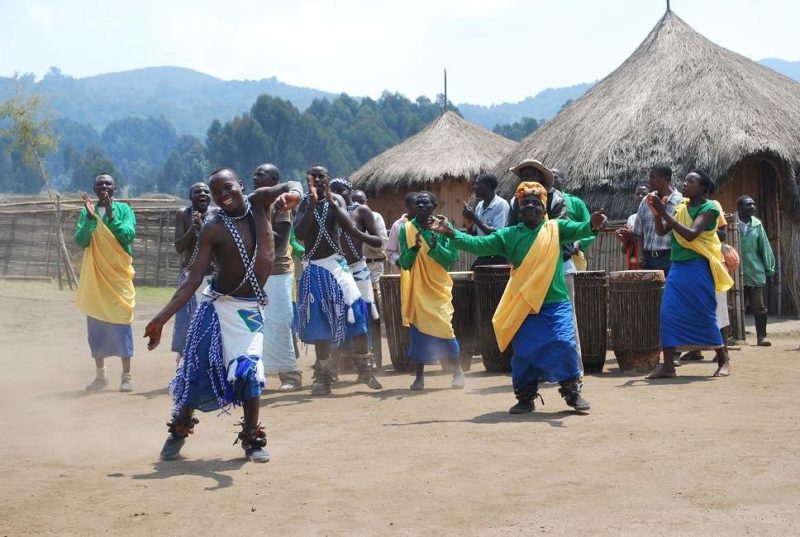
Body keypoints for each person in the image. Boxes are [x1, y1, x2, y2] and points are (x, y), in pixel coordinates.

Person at [143, 168, 302, 463]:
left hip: (249, 310)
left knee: (250, 370)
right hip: (216, 308)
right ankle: (179, 428)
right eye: (217, 192)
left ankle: (252, 439)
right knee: (196, 370)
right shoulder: (213, 227)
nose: (222, 195)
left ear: (240, 185)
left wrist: (295, 194)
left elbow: (291, 183)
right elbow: (192, 280)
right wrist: (160, 319)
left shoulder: (261, 204)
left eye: (227, 187)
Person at [432, 181, 607, 413]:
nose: (531, 207)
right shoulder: (509, 235)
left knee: (564, 343)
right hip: (524, 304)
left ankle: (572, 392)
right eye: (526, 204)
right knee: (524, 353)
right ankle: (525, 397)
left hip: (555, 302)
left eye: (536, 203)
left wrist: (592, 224)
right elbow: (479, 244)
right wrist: (451, 232)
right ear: (519, 210)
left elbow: (582, 229)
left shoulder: (556, 228)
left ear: (544, 209)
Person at [294, 166, 382, 395]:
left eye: (322, 176)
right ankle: (324, 377)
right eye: (313, 177)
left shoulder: (338, 201)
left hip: (338, 266)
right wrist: (313, 204)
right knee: (319, 323)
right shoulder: (304, 203)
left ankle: (364, 369)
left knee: (358, 314)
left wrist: (332, 204)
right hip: (314, 268)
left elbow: (348, 227)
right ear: (307, 180)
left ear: (327, 179)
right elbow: (301, 234)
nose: (318, 180)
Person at [644, 170, 733, 380]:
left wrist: (664, 212)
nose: (685, 184)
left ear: (702, 188)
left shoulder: (710, 208)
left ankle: (724, 359)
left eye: (691, 181)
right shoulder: (681, 207)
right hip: (678, 267)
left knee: (704, 312)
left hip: (699, 266)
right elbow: (661, 232)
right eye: (684, 181)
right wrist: (658, 213)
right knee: (668, 313)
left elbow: (691, 234)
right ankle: (668, 366)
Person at [75, 173, 137, 392]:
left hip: (118, 277)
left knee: (122, 323)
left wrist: (111, 215)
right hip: (96, 278)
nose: (104, 187)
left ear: (114, 188)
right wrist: (92, 219)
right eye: (100, 184)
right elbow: (81, 240)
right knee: (96, 326)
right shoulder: (86, 212)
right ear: (94, 188)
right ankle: (100, 376)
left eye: (108, 184)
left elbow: (128, 236)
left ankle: (126, 376)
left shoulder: (125, 210)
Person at [399, 191, 465, 390]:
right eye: (418, 203)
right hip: (419, 288)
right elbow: (404, 263)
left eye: (426, 203)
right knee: (419, 332)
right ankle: (419, 377)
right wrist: (414, 249)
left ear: (434, 206)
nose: (421, 206)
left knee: (445, 328)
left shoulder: (444, 227)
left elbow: (450, 259)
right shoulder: (407, 229)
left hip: (438, 288)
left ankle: (457, 371)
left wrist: (435, 248)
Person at [253, 163, 303, 391]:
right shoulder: (253, 203)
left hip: (277, 272)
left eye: (260, 174)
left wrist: (257, 223)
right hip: (255, 273)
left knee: (281, 323)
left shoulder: (281, 205)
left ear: (273, 181)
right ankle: (256, 373)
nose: (255, 177)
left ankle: (290, 375)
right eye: (255, 174)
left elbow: (281, 241)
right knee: (255, 324)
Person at [328, 178, 384, 372]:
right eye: (332, 190)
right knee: (336, 315)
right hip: (336, 269)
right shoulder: (329, 211)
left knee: (363, 314)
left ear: (349, 191)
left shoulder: (361, 211)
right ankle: (339, 363)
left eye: (340, 190)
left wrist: (357, 233)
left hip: (358, 268)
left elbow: (378, 241)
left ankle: (367, 359)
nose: (336, 194)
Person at [171, 182, 215, 365]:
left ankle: (211, 361)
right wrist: (193, 229)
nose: (203, 194)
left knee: (211, 321)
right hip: (190, 277)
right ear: (191, 197)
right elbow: (179, 246)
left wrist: (206, 228)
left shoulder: (217, 214)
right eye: (198, 192)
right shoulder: (183, 214)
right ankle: (185, 360)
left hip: (213, 277)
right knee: (186, 321)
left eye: (206, 191)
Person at [351, 188, 388, 367]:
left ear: (367, 202)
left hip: (373, 267)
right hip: (353, 268)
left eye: (361, 201)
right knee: (357, 313)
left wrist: (359, 233)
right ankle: (355, 357)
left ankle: (376, 358)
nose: (357, 204)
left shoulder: (375, 217)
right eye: (354, 201)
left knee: (374, 312)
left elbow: (381, 243)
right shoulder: (347, 215)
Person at [737, 196, 776, 346]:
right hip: (735, 273)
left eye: (753, 204)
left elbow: (764, 248)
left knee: (758, 306)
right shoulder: (730, 223)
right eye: (748, 205)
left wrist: (769, 270)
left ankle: (761, 337)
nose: (752, 207)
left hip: (754, 272)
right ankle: (736, 338)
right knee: (734, 307)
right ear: (739, 207)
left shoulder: (757, 224)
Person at [632, 164, 684, 277]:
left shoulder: (680, 202)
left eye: (653, 177)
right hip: (648, 259)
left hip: (670, 257)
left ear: (665, 178)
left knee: (668, 293)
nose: (650, 181)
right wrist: (641, 255)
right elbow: (640, 233)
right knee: (650, 294)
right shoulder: (646, 200)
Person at [462, 173, 510, 267]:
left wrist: (474, 217)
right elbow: (477, 237)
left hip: (497, 257)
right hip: (483, 256)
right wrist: (469, 227)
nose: (474, 187)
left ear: (488, 186)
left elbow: (496, 236)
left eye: (477, 184)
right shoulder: (479, 206)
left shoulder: (501, 205)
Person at [615, 185, 650, 269]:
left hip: (648, 260)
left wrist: (632, 235)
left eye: (644, 194)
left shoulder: (654, 217)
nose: (640, 196)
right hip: (633, 263)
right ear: (634, 197)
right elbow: (624, 250)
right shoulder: (631, 218)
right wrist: (625, 239)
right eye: (638, 194)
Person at [386, 192, 418, 267]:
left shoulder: (427, 225)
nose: (418, 207)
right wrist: (400, 262)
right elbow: (390, 251)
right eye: (415, 204)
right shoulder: (398, 226)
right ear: (407, 205)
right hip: (406, 271)